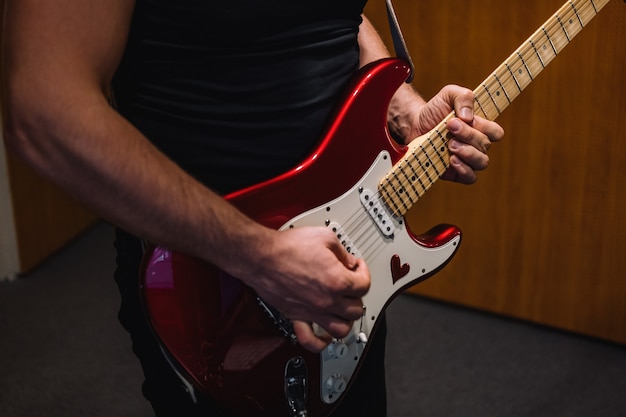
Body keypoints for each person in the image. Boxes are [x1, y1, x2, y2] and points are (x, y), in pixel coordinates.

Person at [2, 0, 504, 416]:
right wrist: (261, 256)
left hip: (344, 253)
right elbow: (43, 110)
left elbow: (331, 16)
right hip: (212, 284)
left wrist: (399, 106)